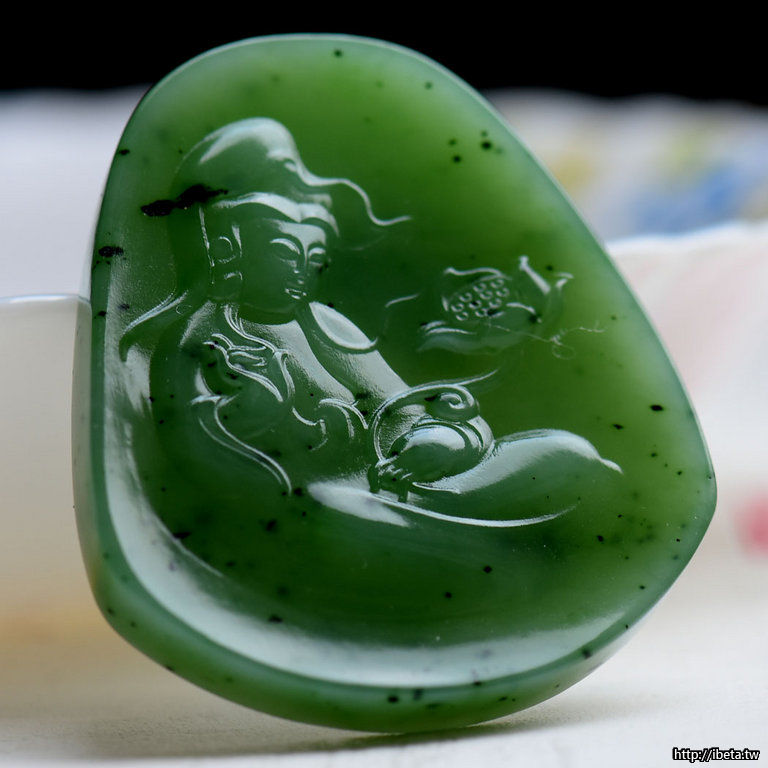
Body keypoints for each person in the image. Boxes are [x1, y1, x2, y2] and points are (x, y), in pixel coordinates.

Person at [124, 118, 619, 530]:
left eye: (313, 259)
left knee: (566, 453)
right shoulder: (199, 342)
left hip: (412, 488)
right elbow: (199, 459)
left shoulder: (328, 327)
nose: (301, 273)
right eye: (284, 254)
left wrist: (437, 442)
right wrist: (248, 413)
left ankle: (460, 533)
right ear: (229, 250)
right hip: (326, 507)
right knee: (337, 511)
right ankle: (468, 549)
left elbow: (408, 407)